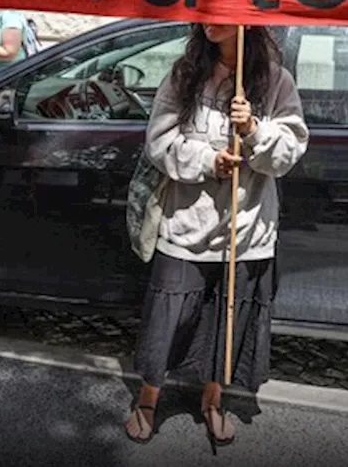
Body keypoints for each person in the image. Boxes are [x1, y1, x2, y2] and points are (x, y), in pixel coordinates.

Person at [124, 23, 308, 448]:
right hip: (186, 226)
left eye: (222, 11)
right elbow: (159, 141)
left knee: (228, 317)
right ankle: (149, 397)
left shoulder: (276, 81)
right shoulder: (184, 73)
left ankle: (214, 398)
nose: (210, 19)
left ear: (248, 21)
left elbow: (290, 152)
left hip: (246, 230)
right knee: (168, 318)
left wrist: (256, 131)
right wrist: (208, 160)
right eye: (204, 11)